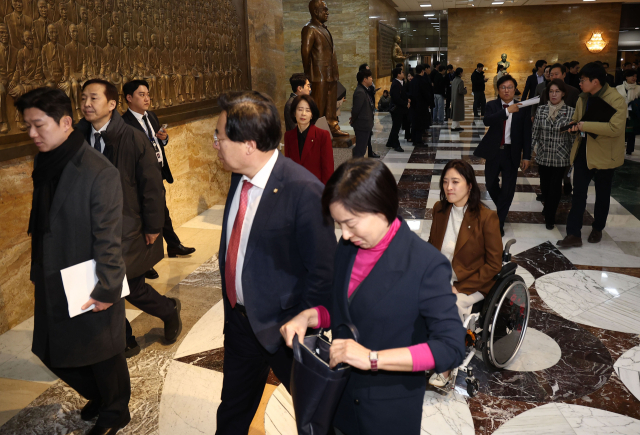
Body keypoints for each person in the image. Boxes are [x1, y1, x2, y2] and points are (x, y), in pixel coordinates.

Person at [280, 159, 465, 435]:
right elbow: (347, 307)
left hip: (387, 413)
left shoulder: (426, 264)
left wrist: (373, 358)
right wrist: (311, 315)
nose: (344, 234)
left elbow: (451, 347)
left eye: (350, 223)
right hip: (339, 399)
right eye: (339, 223)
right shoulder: (348, 247)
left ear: (381, 208)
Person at [213, 91, 336, 435]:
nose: (215, 145)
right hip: (240, 325)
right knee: (232, 414)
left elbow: (324, 269)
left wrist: (305, 322)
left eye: (219, 137)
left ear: (248, 144)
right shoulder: (239, 175)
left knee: (317, 417)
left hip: (288, 329)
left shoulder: (304, 190)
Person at [19, 87, 131, 435]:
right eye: (27, 127)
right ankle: (100, 395)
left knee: (102, 352)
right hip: (52, 272)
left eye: (39, 125)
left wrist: (107, 289)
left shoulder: (99, 171)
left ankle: (115, 411)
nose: (33, 134)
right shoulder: (46, 160)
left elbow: (110, 238)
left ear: (66, 122)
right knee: (50, 350)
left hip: (88, 276)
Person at [76, 79, 181, 358]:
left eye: (94, 98)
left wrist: (153, 226)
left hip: (127, 225)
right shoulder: (76, 137)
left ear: (112, 104)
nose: (87, 103)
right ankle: (124, 338)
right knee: (104, 285)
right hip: (91, 228)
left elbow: (151, 185)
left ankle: (169, 311)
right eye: (83, 98)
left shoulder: (132, 138)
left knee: (131, 287)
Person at [427, 159, 503, 387]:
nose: (448, 187)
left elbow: (493, 265)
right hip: (443, 278)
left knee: (450, 306)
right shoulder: (440, 211)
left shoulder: (486, 217)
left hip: (473, 283)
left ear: (470, 185)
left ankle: (447, 366)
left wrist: (458, 287)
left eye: (455, 182)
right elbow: (432, 248)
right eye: (445, 182)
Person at [121, 80, 196, 281]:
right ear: (129, 98)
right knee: (148, 218)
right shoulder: (124, 123)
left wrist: (163, 138)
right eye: (141, 94)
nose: (147, 98)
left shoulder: (151, 116)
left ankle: (172, 244)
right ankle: (146, 262)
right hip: (141, 178)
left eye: (148, 94)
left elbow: (159, 141)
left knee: (161, 211)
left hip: (158, 171)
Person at [557, 63, 627, 248]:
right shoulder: (583, 98)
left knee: (602, 194)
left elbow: (615, 128)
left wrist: (583, 125)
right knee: (578, 194)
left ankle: (597, 228)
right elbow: (578, 120)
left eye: (583, 80)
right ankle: (573, 234)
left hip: (605, 155)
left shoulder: (616, 100)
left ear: (595, 81)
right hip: (583, 152)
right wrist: (574, 127)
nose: (580, 83)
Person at [474, 75, 532, 236]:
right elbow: (487, 121)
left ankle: (498, 221)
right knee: (490, 183)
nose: (506, 90)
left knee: (508, 189)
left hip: (511, 153)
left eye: (510, 87)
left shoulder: (523, 108)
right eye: (503, 87)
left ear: (515, 89)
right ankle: (502, 207)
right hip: (494, 151)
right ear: (498, 90)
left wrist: (526, 156)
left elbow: (527, 134)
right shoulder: (492, 105)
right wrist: (506, 111)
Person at [532, 79, 576, 230]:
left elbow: (573, 136)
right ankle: (547, 206)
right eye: (551, 91)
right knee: (544, 185)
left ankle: (550, 215)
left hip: (560, 155)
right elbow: (535, 132)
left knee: (556, 186)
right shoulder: (541, 110)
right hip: (543, 154)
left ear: (563, 93)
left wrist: (573, 156)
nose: (554, 94)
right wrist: (528, 152)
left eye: (557, 91)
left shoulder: (570, 111)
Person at [284, 94, 334, 182]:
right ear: (294, 113)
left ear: (312, 115)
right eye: (300, 110)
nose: (303, 114)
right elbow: (287, 167)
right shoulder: (288, 136)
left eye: (307, 110)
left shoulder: (322, 135)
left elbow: (328, 169)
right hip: (295, 187)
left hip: (315, 188)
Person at [350, 68, 379, 158]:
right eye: (370, 77)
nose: (372, 79)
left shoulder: (365, 90)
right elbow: (356, 110)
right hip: (362, 125)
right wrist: (353, 120)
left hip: (365, 124)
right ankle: (356, 169)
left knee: (362, 149)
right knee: (360, 150)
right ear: (364, 79)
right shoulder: (360, 92)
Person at [616, 69, 640, 155]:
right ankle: (619, 149)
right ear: (626, 77)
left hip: (632, 114)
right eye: (632, 76)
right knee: (621, 132)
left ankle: (629, 150)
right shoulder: (619, 87)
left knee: (631, 133)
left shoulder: (638, 88)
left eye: (635, 76)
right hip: (621, 112)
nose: (634, 78)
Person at [386, 67, 408, 152]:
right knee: (396, 127)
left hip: (399, 108)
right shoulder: (395, 84)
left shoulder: (400, 82)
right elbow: (396, 98)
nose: (403, 73)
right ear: (398, 74)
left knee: (396, 126)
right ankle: (396, 144)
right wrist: (406, 103)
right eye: (402, 72)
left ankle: (390, 142)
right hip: (396, 109)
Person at [410, 64, 432, 147]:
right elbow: (426, 94)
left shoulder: (413, 80)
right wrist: (429, 102)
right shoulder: (422, 81)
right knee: (420, 124)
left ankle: (414, 139)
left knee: (415, 123)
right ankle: (418, 141)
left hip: (414, 105)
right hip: (421, 105)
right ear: (422, 71)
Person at [450, 67, 466, 131]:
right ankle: (453, 127)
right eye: (462, 72)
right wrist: (465, 90)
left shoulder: (454, 80)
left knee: (456, 112)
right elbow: (461, 91)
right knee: (457, 112)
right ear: (460, 73)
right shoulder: (460, 81)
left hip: (454, 98)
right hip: (458, 99)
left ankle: (457, 126)